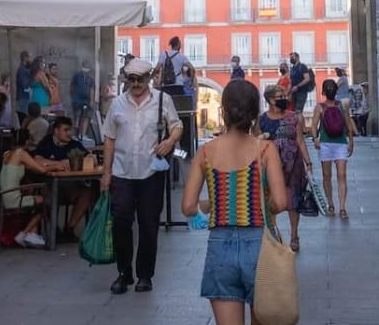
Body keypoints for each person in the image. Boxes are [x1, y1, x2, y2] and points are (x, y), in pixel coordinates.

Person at [181, 79, 290, 325]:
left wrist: (214, 204)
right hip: (260, 246)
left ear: (224, 111)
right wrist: (264, 207)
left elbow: (188, 207)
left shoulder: (206, 152)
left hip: (220, 248)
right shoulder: (265, 150)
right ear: (255, 113)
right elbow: (281, 202)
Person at [101, 57, 184, 295]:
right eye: (131, 79)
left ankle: (145, 275)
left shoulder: (162, 100)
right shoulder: (117, 104)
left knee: (149, 225)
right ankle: (124, 273)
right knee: (121, 223)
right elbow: (109, 138)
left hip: (151, 173)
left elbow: (177, 125)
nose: (135, 84)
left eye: (140, 79)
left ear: (148, 79)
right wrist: (106, 173)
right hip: (122, 172)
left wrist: (170, 141)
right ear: (126, 80)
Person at [257, 84, 309, 251]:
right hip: (271, 165)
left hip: (294, 163)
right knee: (271, 200)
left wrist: (308, 162)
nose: (283, 99)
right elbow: (256, 143)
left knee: (294, 200)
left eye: (283, 95)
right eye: (279, 96)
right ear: (270, 100)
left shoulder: (295, 117)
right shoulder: (262, 120)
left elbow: (300, 140)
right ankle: (274, 234)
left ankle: (294, 235)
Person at [32, 116, 98, 238]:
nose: (69, 133)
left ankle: (69, 229)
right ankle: (54, 230)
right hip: (51, 185)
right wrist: (58, 163)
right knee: (46, 193)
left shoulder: (74, 144)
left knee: (87, 193)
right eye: (66, 130)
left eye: (70, 130)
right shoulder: (46, 143)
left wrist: (86, 158)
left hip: (70, 186)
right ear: (56, 131)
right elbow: (37, 160)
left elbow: (91, 159)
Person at [0, 128, 60, 248]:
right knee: (48, 201)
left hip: (4, 195)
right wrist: (56, 166)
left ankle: (33, 232)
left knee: (36, 197)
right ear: (27, 141)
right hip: (13, 198)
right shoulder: (21, 153)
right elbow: (41, 170)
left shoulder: (7, 154)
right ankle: (25, 233)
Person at [313, 78, 358, 220]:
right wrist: (351, 141)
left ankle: (337, 206)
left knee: (331, 176)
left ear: (323, 92)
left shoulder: (320, 107)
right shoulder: (341, 105)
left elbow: (314, 126)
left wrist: (315, 139)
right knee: (339, 176)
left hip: (328, 144)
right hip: (339, 143)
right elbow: (348, 124)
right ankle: (336, 205)